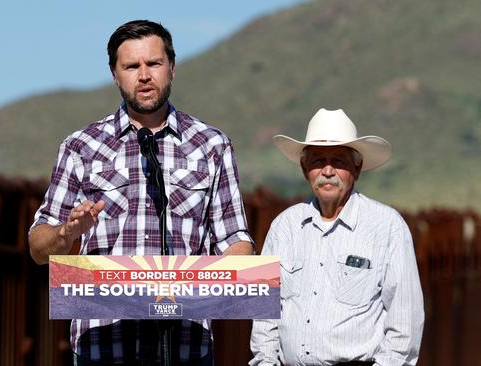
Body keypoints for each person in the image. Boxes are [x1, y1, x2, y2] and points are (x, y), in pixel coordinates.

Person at [29, 20, 254, 365]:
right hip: (103, 347)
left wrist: (200, 285)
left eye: (154, 63)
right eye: (132, 66)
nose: (144, 75)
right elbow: (38, 247)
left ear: (173, 68)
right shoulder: (81, 147)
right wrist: (67, 232)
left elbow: (236, 244)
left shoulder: (211, 146)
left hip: (185, 347)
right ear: (115, 75)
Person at [250, 108, 424, 366]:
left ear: (357, 168)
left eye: (339, 161)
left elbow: (404, 324)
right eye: (318, 160)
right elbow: (265, 316)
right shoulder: (284, 226)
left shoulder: (387, 227)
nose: (328, 170)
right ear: (304, 168)